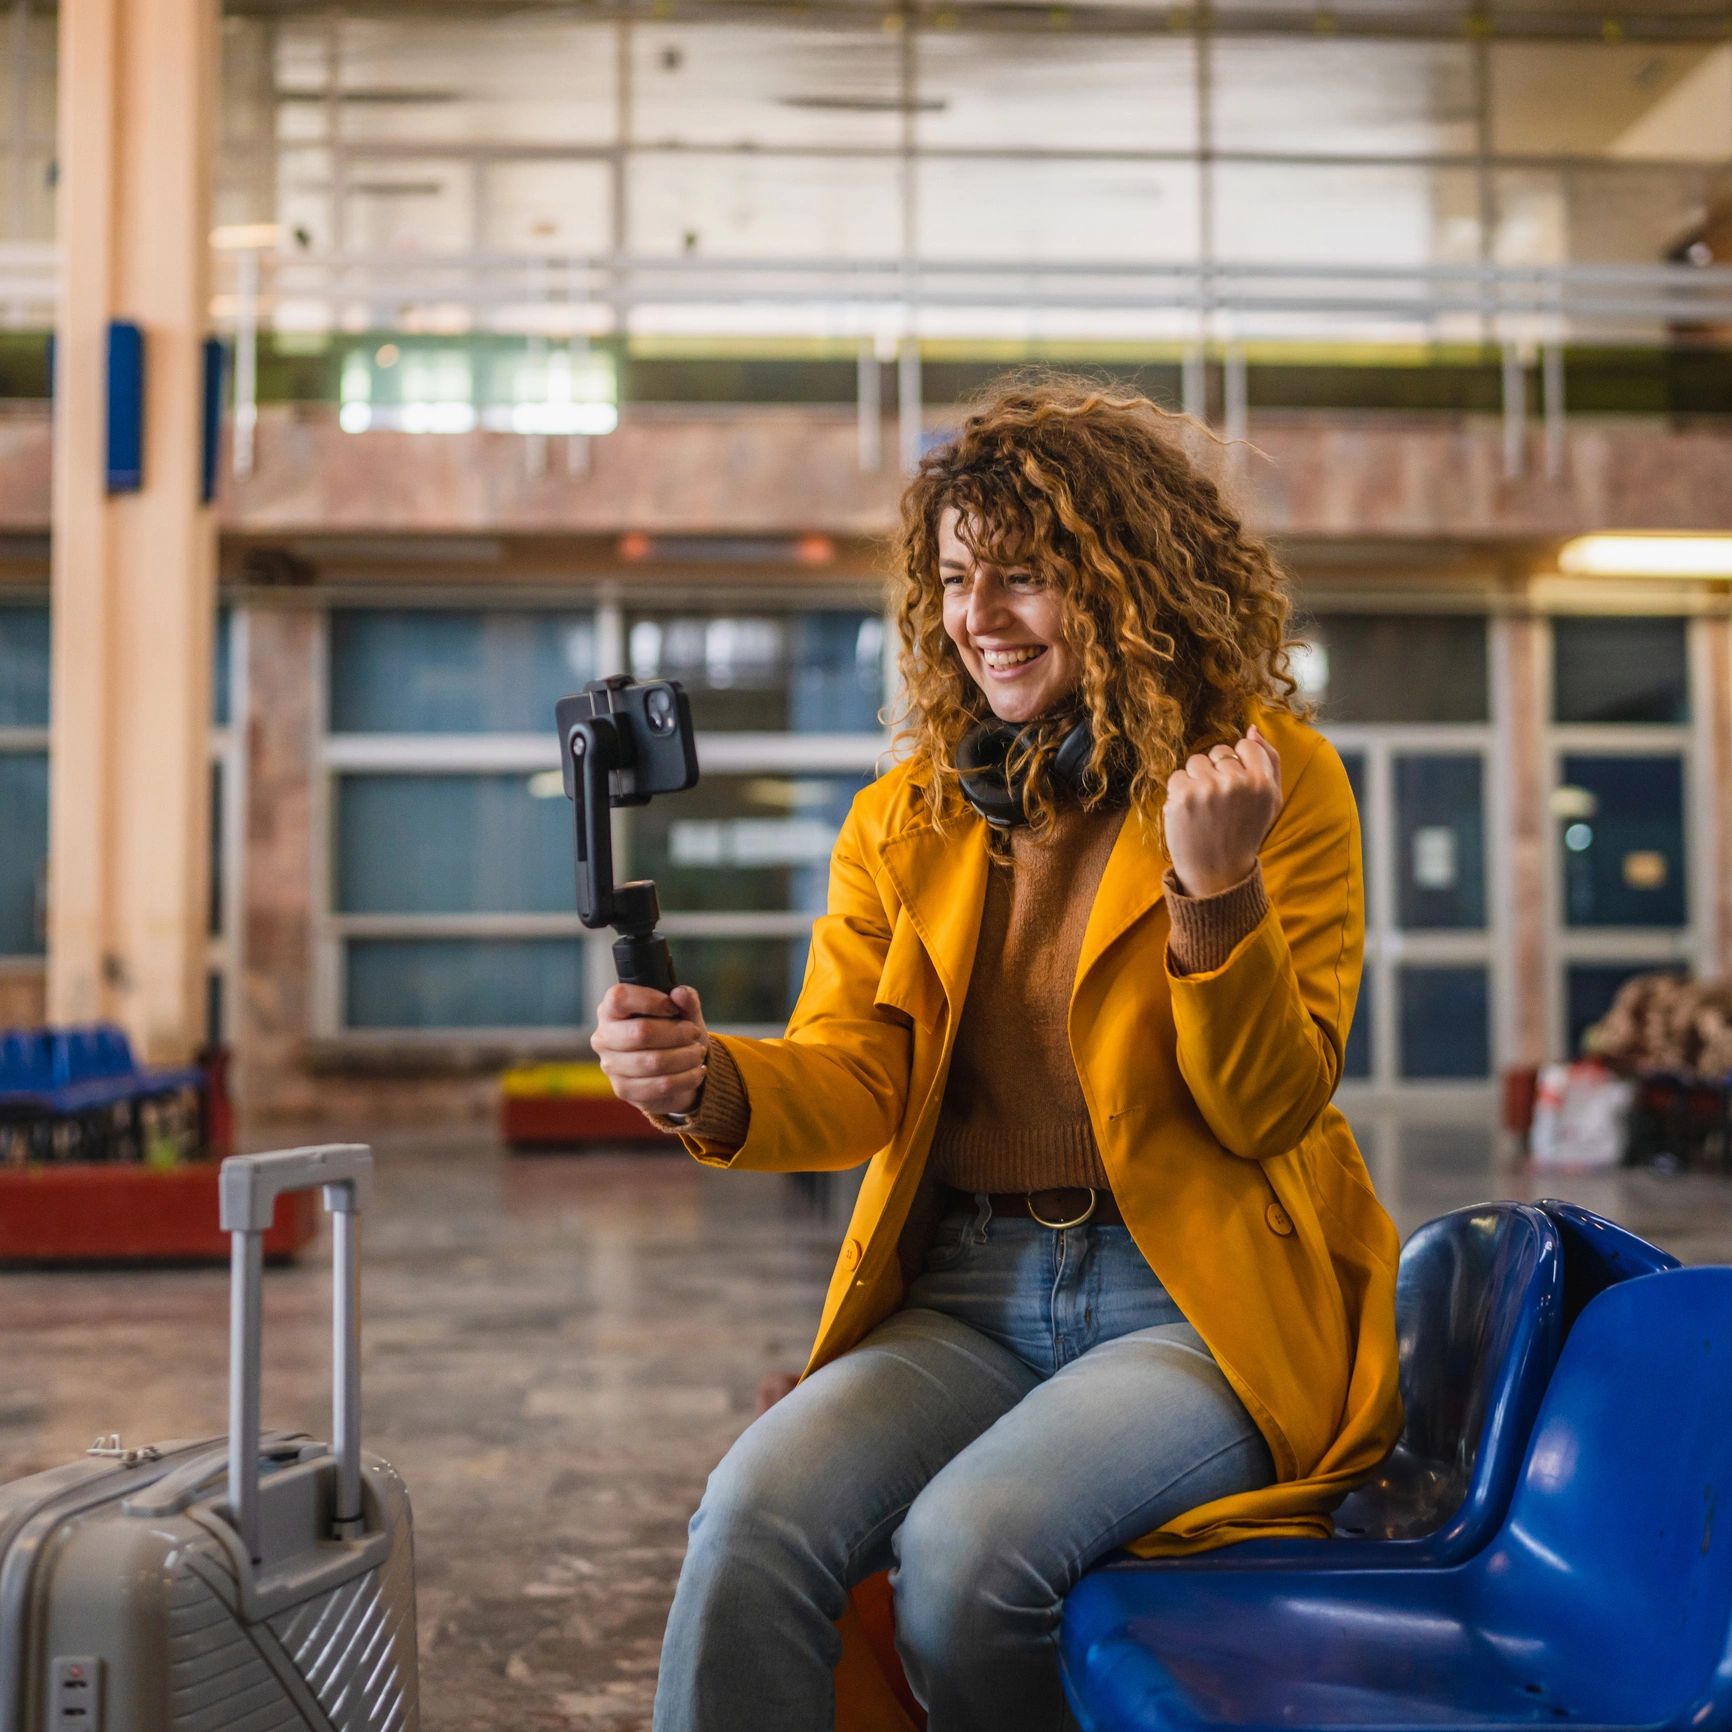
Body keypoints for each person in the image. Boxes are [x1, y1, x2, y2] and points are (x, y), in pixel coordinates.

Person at [590, 372, 1403, 1732]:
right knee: (747, 1519)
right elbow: (855, 1073)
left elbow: (1269, 1108)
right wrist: (710, 1079)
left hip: (1186, 1306)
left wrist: (1215, 894)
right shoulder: (908, 817)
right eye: (959, 580)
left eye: (1025, 578)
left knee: (969, 1558)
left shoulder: (1269, 784)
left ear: (1132, 581)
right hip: (966, 1290)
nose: (979, 618)